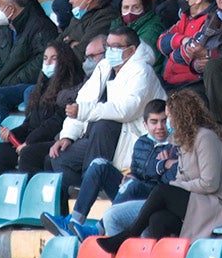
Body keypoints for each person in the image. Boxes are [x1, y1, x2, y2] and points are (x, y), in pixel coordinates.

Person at [96, 89, 222, 253]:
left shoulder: (205, 138)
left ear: (181, 116)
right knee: (157, 219)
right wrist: (175, 186)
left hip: (219, 205)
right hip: (201, 202)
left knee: (162, 191)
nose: (167, 123)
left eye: (168, 117)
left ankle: (130, 233)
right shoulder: (184, 141)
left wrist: (174, 188)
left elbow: (210, 184)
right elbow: (181, 178)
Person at [48, 27, 166, 212]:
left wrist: (84, 111)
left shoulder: (142, 71)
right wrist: (68, 136)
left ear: (132, 50)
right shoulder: (104, 67)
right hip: (100, 139)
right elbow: (83, 102)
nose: (111, 51)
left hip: (132, 137)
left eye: (117, 46)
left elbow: (125, 110)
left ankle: (93, 187)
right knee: (60, 157)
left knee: (104, 123)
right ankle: (89, 188)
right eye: (108, 46)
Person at [40, 98, 176, 239]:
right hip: (131, 189)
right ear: (145, 124)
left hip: (153, 197)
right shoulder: (141, 142)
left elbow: (171, 179)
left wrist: (162, 165)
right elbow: (136, 170)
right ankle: (73, 222)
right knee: (99, 164)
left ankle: (97, 230)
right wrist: (132, 175)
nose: (159, 127)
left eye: (163, 121)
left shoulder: (175, 145)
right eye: (154, 122)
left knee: (132, 185)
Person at [0, 40, 85, 177]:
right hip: (33, 140)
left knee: (28, 154)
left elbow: (55, 124)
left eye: (54, 59)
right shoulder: (40, 88)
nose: (48, 63)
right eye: (45, 59)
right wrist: (12, 135)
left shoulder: (71, 89)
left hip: (55, 140)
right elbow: (29, 123)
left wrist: (28, 142)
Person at [158, 0, 215, 89]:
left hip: (190, 85)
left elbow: (186, 55)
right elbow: (161, 42)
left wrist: (171, 52)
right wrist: (182, 39)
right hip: (169, 81)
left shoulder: (211, 20)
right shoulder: (185, 17)